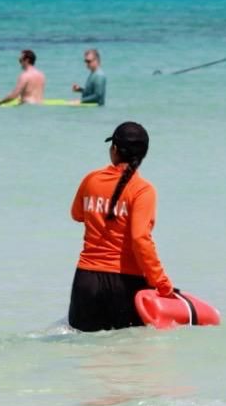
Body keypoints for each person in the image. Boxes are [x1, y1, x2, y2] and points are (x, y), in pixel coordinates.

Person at [68, 121, 172, 332]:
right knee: (128, 355)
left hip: (86, 280)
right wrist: (161, 283)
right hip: (126, 285)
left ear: (114, 149)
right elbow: (140, 239)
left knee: (83, 355)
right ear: (143, 154)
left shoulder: (91, 180)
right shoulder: (143, 190)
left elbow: (77, 215)